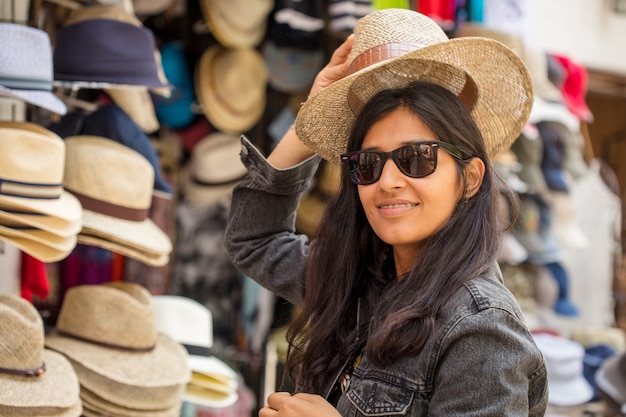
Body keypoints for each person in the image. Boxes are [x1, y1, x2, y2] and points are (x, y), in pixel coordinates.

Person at [225, 8, 548, 417]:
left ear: (469, 178)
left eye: (416, 158)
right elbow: (253, 240)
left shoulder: (480, 331)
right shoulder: (355, 278)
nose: (388, 181)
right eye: (368, 164)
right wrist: (311, 113)